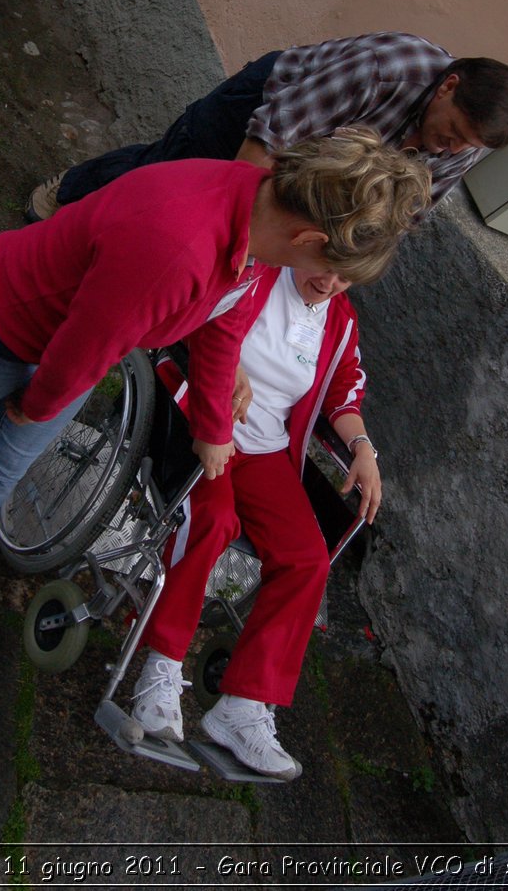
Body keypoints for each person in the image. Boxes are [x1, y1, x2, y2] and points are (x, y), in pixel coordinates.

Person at [0, 131, 430, 657]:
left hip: (64, 350)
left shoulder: (256, 211)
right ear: (308, 236)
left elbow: (223, 323)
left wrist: (211, 428)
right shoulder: (179, 251)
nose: (324, 292)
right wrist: (35, 406)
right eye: (326, 269)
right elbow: (84, 348)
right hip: (3, 324)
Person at [131, 261, 381, 780]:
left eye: (345, 278)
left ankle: (242, 706)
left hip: (266, 451)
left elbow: (342, 393)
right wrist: (224, 364)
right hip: (202, 414)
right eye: (327, 265)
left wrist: (361, 447)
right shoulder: (262, 271)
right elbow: (199, 309)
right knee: (214, 518)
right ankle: (161, 666)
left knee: (308, 559)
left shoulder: (340, 319)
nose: (329, 283)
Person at [26, 31, 508, 221]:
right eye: (456, 132)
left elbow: (400, 215)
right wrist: (236, 230)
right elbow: (269, 136)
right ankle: (69, 195)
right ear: (449, 85)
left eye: (469, 146)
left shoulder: (467, 140)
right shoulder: (384, 68)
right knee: (174, 170)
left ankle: (114, 241)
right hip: (269, 104)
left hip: (315, 152)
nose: (452, 150)